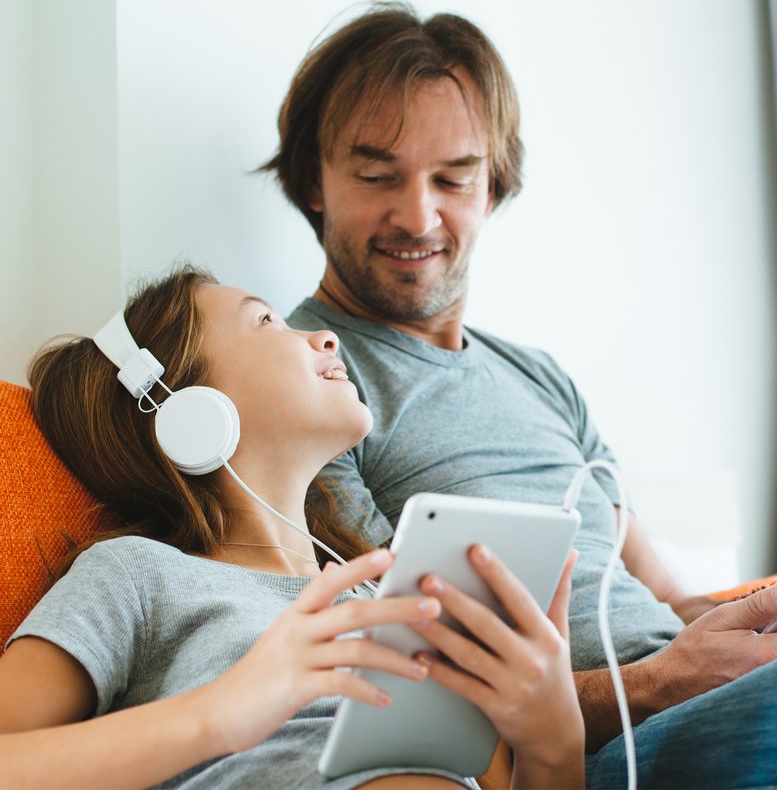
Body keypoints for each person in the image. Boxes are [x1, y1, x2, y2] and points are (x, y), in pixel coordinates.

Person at [264, 2, 777, 787]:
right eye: (376, 174)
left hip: (702, 690)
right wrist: (667, 682)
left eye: (453, 177)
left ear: (492, 188)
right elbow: (398, 683)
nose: (418, 214)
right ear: (314, 181)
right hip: (602, 743)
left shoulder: (539, 376)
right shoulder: (308, 382)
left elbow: (664, 600)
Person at [0, 268, 585, 789]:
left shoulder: (388, 600)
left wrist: (555, 744)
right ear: (186, 408)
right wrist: (219, 715)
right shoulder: (135, 574)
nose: (325, 338)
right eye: (266, 321)